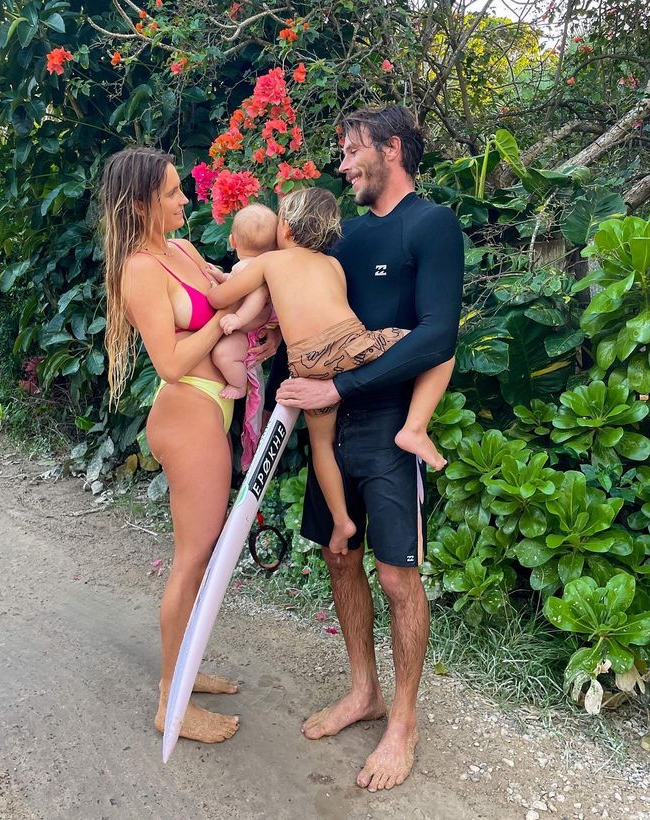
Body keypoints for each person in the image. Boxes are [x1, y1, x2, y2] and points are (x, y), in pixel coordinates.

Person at [274, 105, 465, 791]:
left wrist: (341, 388)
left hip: (387, 424)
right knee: (338, 557)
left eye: (352, 151)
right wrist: (275, 351)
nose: (343, 164)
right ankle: (364, 691)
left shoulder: (432, 225)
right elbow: (311, 316)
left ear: (389, 149)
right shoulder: (343, 238)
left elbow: (437, 334)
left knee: (395, 577)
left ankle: (404, 721)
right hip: (332, 425)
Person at [207, 188, 454, 554]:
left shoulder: (270, 263)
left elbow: (220, 300)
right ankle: (414, 428)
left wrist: (216, 280)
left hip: (308, 365)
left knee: (322, 444)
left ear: (286, 229)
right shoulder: (334, 264)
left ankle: (342, 521)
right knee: (438, 346)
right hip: (351, 346)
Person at [100, 146, 243, 746]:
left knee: (206, 554)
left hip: (212, 410)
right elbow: (170, 360)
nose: (185, 199)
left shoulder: (181, 250)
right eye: (172, 193)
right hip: (187, 416)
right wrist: (222, 327)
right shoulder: (140, 269)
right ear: (141, 204)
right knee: (191, 558)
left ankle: (186, 669)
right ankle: (169, 701)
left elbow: (230, 289)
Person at [210, 204, 276, 400]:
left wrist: (238, 318)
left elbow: (257, 297)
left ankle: (238, 386)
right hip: (250, 329)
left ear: (232, 241)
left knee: (223, 354)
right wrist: (221, 277)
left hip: (246, 329)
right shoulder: (248, 267)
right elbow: (236, 284)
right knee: (223, 353)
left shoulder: (252, 268)